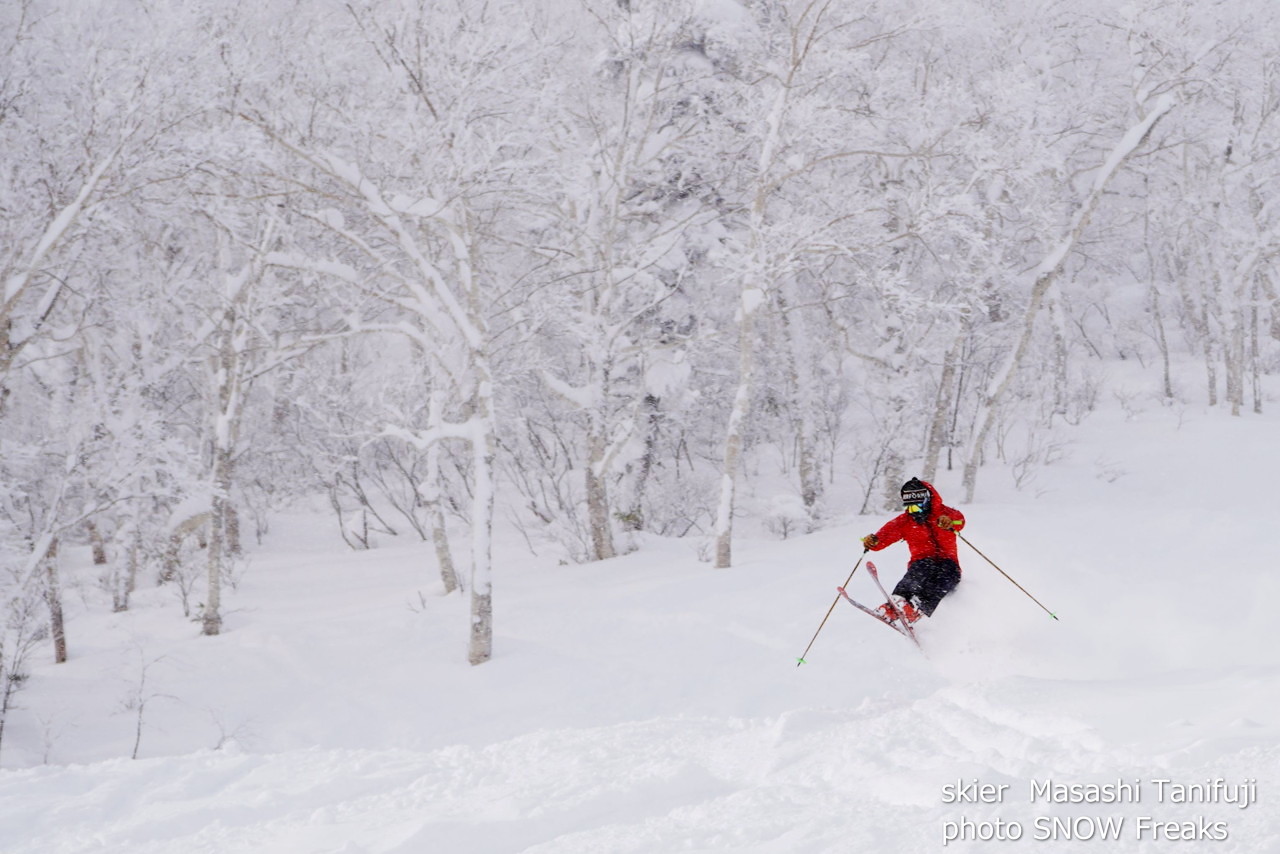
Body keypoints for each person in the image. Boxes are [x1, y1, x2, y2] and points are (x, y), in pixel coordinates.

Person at [860, 477, 965, 624]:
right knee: (919, 569)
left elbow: (960, 521)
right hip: (922, 563)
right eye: (909, 507)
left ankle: (917, 608)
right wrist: (873, 541)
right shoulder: (906, 521)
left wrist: (948, 522)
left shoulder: (944, 514)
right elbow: (884, 536)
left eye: (917, 507)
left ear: (927, 501)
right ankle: (896, 603)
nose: (913, 511)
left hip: (948, 565)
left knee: (945, 573)